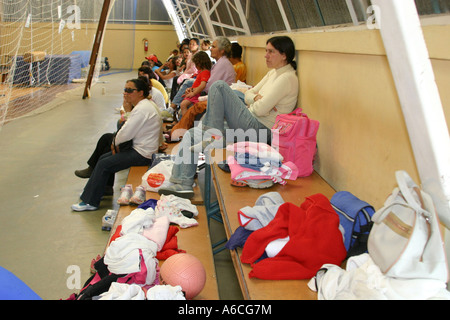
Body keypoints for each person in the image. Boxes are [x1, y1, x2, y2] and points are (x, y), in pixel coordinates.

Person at [158, 36, 299, 199]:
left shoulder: (286, 78)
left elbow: (260, 110)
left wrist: (253, 102)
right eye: (266, 51)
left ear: (284, 55)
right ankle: (181, 183)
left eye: (271, 52)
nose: (266, 55)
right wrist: (254, 98)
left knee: (219, 87)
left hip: (262, 131)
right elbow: (249, 93)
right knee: (191, 134)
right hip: (250, 121)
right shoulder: (273, 73)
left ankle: (211, 133)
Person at [72, 78, 162, 211]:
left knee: (104, 163)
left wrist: (114, 143)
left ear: (141, 93)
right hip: (141, 148)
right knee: (103, 158)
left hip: (143, 154)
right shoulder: (143, 105)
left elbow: (126, 132)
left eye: (130, 90)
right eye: (125, 90)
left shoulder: (142, 109)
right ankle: (99, 191)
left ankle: (91, 202)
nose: (125, 93)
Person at [169, 36, 236, 112]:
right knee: (187, 86)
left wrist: (193, 90)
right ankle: (174, 108)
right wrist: (192, 89)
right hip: (214, 94)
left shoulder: (222, 64)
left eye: (213, 47)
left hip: (218, 97)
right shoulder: (220, 63)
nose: (210, 49)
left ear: (222, 51)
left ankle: (174, 109)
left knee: (186, 96)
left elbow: (208, 87)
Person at [178, 51, 212, 117]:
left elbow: (202, 85)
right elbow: (197, 85)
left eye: (197, 64)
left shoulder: (205, 72)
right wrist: (191, 89)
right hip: (195, 92)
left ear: (201, 63)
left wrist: (193, 93)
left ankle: (185, 122)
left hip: (197, 94)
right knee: (183, 104)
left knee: (183, 105)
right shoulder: (201, 72)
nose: (196, 66)